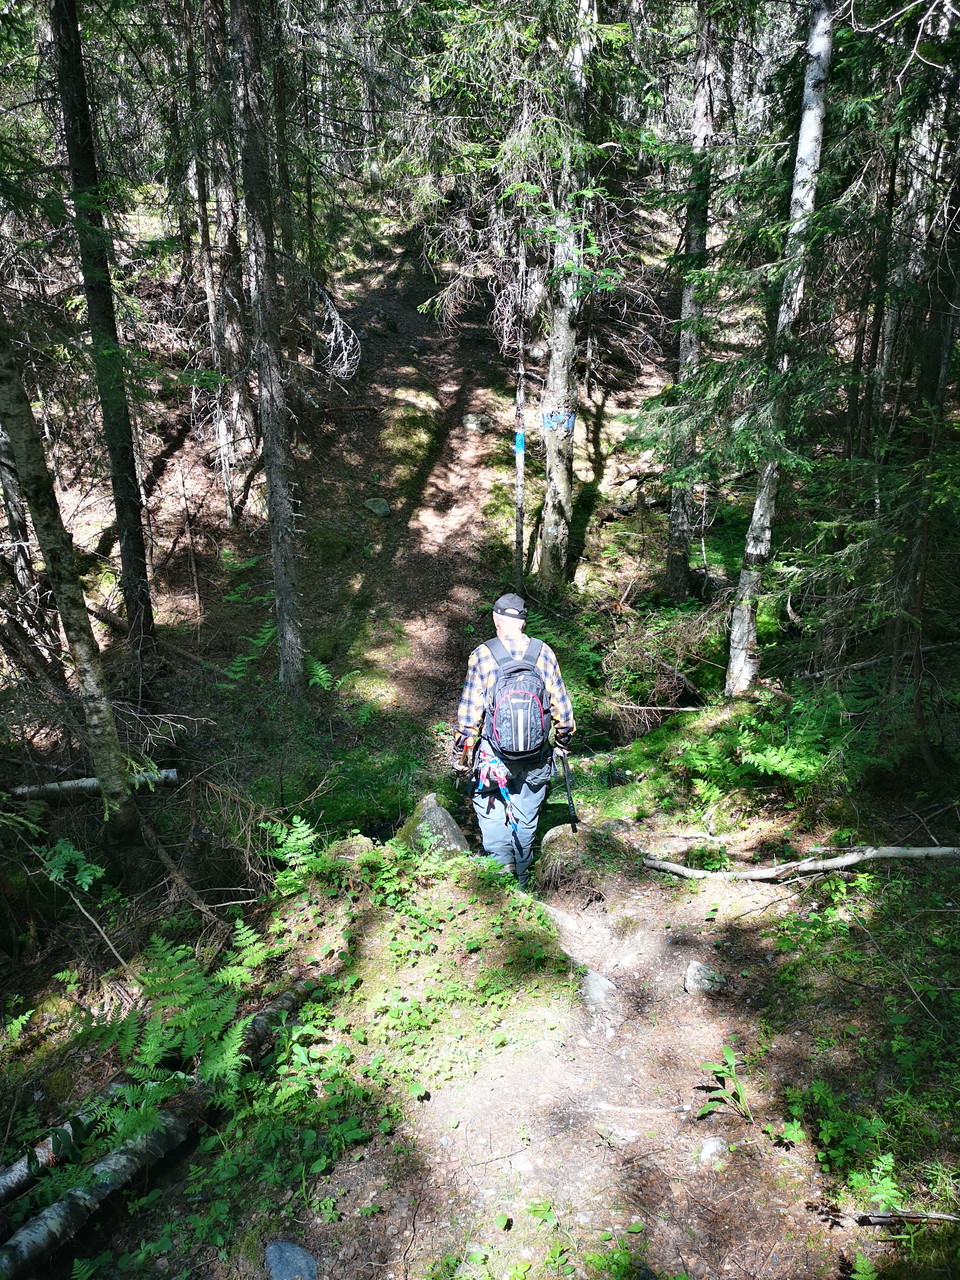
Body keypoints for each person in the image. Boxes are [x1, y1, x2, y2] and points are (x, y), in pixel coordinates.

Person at [454, 593, 575, 888]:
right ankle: (523, 877)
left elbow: (469, 717)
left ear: (496, 620)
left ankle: (501, 873)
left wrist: (462, 756)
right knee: (526, 815)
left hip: (495, 757)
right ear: (522, 622)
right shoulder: (543, 652)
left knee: (487, 803)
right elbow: (564, 713)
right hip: (535, 756)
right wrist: (561, 741)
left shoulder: (483, 654)